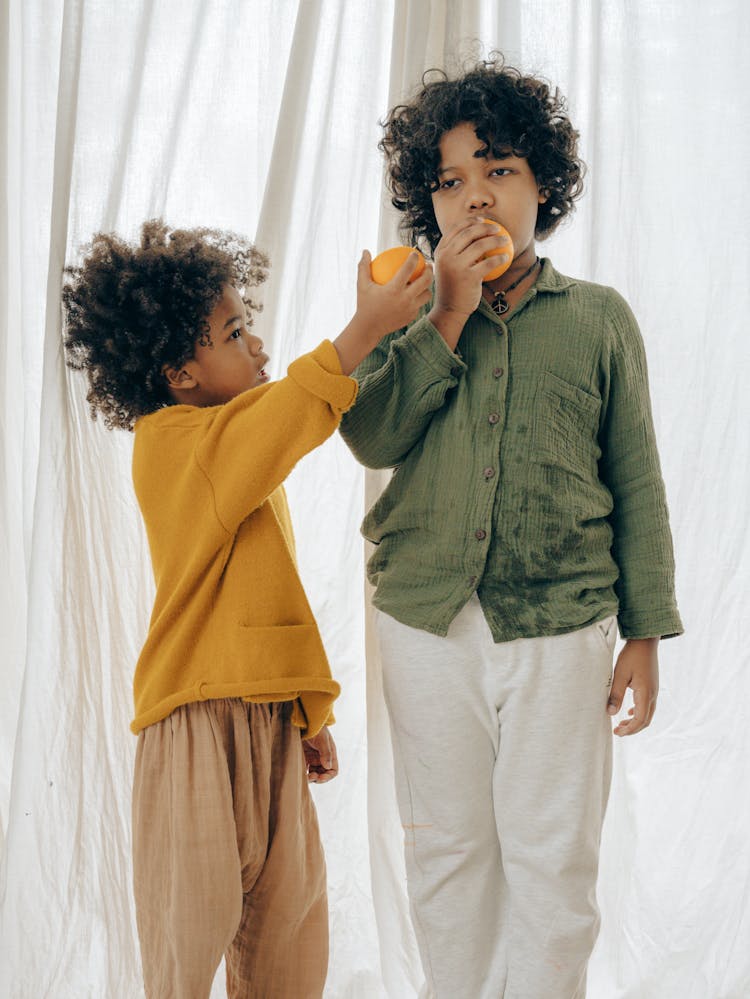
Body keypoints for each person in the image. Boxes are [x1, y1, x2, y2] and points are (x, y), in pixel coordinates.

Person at [340, 56, 683, 999]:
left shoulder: (600, 321)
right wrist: (442, 313)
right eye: (449, 180)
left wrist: (644, 632)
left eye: (498, 169)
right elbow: (369, 434)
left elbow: (638, 481)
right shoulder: (402, 312)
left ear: (545, 187)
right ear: (427, 202)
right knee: (447, 852)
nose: (474, 198)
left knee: (554, 861)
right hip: (424, 621)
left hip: (563, 626)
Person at [62, 219, 432, 999]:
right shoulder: (174, 444)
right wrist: (366, 327)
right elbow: (290, 415)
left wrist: (308, 709)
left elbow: (268, 595)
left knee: (289, 940)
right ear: (177, 372)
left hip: (267, 723)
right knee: (185, 945)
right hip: (193, 723)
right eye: (234, 333)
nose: (257, 346)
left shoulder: (238, 457)